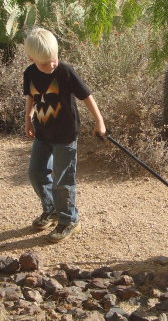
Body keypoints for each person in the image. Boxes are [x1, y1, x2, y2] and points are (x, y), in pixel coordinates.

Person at [23, 27, 106, 242]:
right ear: (31, 58)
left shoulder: (65, 72)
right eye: (44, 63)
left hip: (65, 137)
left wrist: (99, 122)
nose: (51, 64)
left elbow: (86, 96)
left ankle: (68, 220)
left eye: (54, 58)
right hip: (43, 134)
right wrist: (28, 118)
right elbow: (30, 97)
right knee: (36, 172)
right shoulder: (30, 73)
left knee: (62, 180)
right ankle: (51, 209)